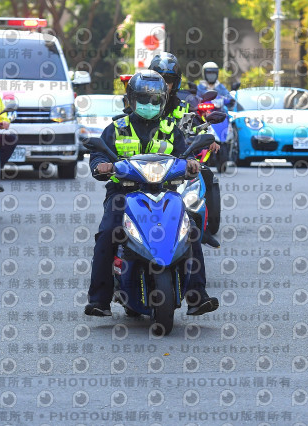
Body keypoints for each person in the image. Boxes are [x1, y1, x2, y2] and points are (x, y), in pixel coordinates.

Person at [85, 70, 219, 317]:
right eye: (143, 99)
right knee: (107, 233)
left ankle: (197, 296)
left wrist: (191, 162)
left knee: (191, 232)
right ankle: (99, 300)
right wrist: (100, 165)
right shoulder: (117, 128)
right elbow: (99, 154)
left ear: (163, 101)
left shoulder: (170, 129)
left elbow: (186, 153)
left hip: (165, 192)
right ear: (131, 100)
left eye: (155, 100)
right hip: (123, 194)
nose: (149, 104)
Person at [149, 52, 221, 248]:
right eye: (159, 78)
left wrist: (209, 138)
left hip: (176, 161)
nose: (164, 84)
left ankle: (204, 226)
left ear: (176, 83)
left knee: (203, 174)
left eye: (168, 80)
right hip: (143, 163)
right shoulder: (141, 103)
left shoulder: (182, 107)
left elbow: (197, 124)